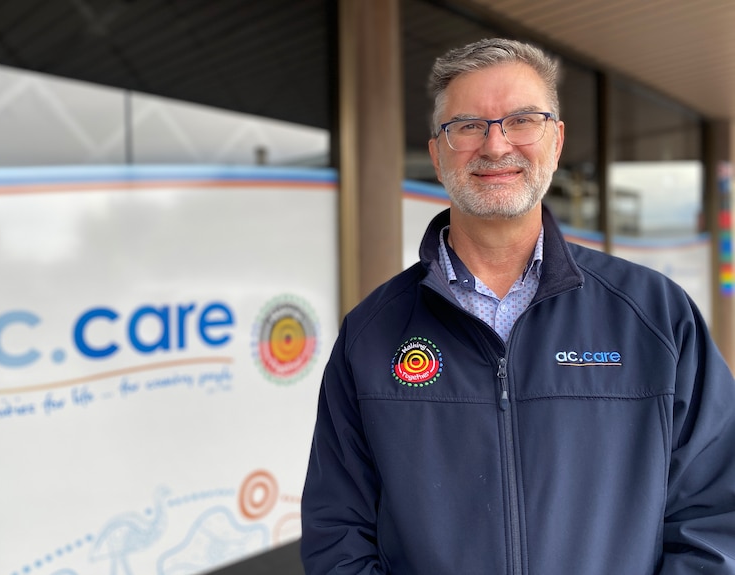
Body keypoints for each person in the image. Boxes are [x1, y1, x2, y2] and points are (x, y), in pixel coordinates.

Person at [300, 37, 735, 574]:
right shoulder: (372, 333)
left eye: (523, 120)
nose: (497, 145)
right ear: (437, 154)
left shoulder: (655, 316)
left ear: (556, 141)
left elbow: (716, 518)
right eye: (467, 125)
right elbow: (336, 533)